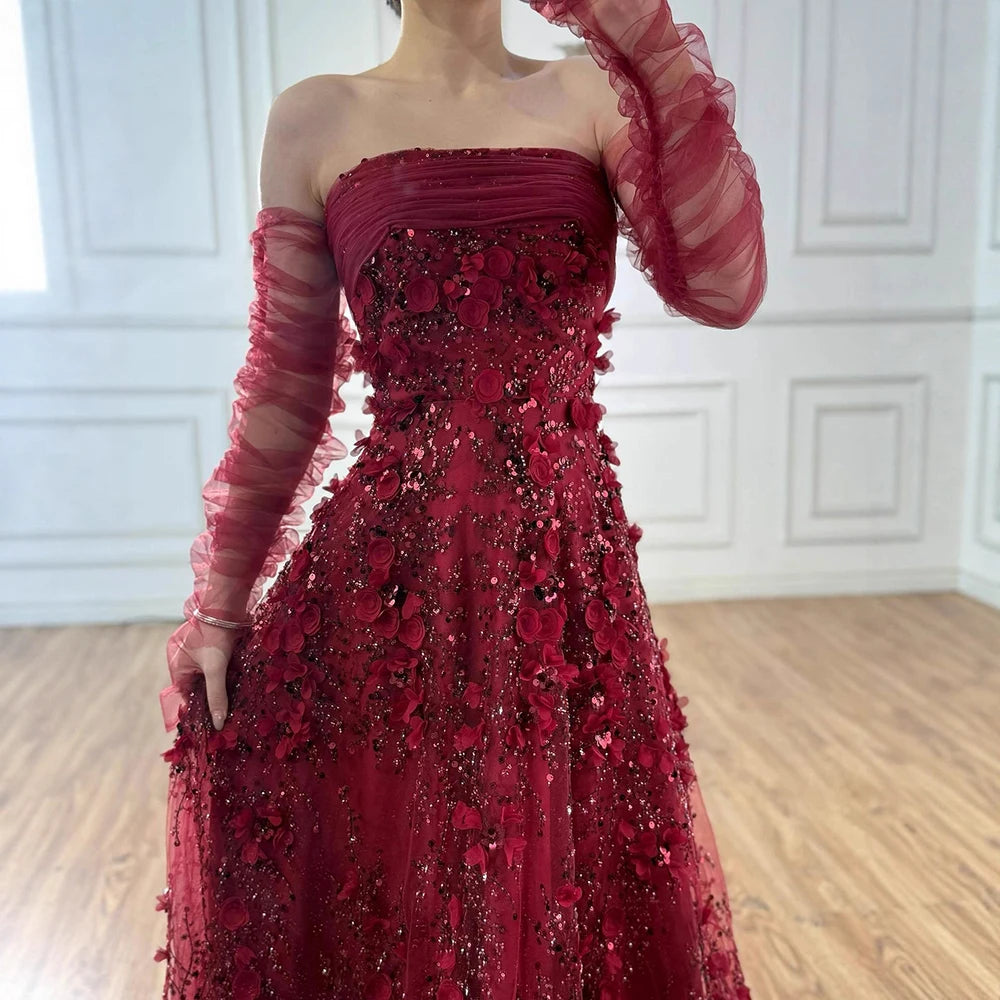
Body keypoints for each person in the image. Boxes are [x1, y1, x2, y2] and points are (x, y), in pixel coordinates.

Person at [154, 1, 767, 997]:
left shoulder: (590, 93)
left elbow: (725, 287)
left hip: (566, 593)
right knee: (408, 904)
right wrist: (219, 608)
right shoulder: (316, 116)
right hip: (391, 596)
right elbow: (287, 387)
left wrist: (641, 36)